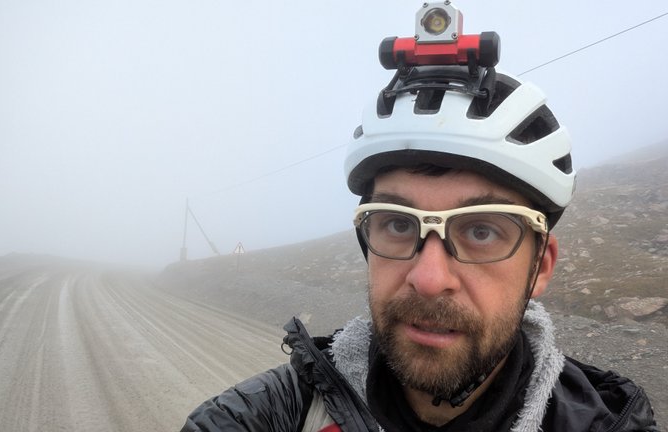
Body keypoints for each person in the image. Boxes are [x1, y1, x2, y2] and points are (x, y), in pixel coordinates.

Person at [181, 5, 658, 431]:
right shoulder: (273, 415)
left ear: (541, 267)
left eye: (481, 230)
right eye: (397, 222)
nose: (429, 279)